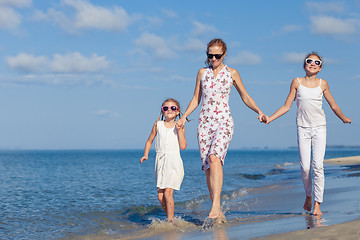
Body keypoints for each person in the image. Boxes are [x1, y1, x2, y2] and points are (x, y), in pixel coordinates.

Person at [177, 38, 266, 220]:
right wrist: (184, 116)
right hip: (204, 124)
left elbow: (245, 96)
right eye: (210, 55)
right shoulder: (202, 73)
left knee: (214, 157)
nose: (214, 59)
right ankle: (217, 211)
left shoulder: (232, 73)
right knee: (209, 167)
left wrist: (259, 110)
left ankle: (216, 205)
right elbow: (196, 99)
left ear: (224, 55)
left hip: (223, 121)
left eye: (217, 55)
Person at [263, 52, 351, 216]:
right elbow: (286, 106)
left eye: (316, 62)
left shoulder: (323, 83)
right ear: (304, 65)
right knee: (305, 168)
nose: (312, 63)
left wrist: (343, 118)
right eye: (309, 61)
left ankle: (318, 204)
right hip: (303, 128)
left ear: (320, 67)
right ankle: (308, 195)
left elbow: (333, 105)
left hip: (319, 128)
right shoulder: (296, 82)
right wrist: (269, 119)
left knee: (318, 165)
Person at [140, 98, 187, 222]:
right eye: (166, 108)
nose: (169, 110)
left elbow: (183, 146)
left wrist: (180, 130)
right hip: (160, 162)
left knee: (168, 193)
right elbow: (149, 140)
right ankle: (171, 218)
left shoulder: (179, 126)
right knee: (160, 197)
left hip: (173, 161)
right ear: (162, 111)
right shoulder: (158, 124)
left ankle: (170, 222)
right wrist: (146, 154)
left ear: (178, 112)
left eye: (173, 108)